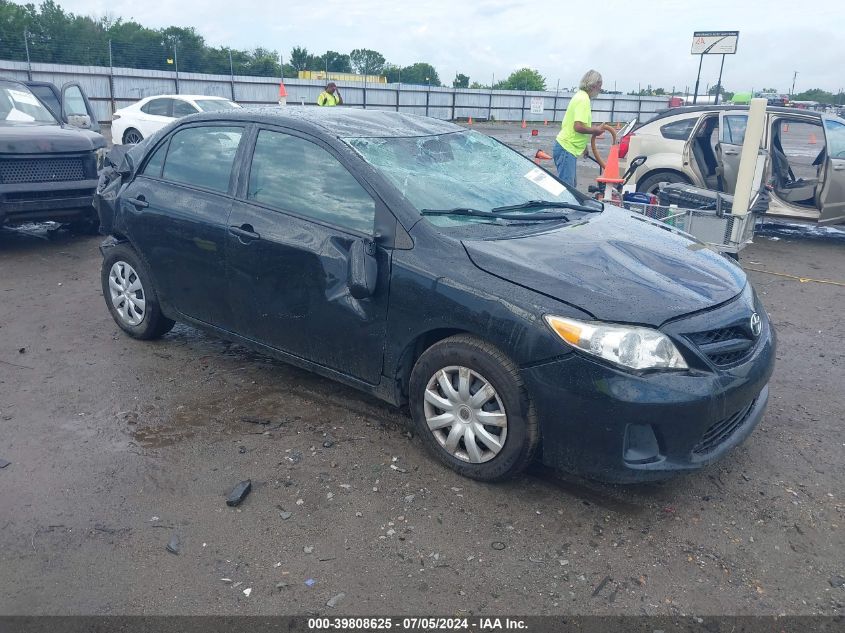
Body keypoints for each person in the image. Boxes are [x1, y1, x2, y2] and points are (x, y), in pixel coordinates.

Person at [553, 70, 605, 188]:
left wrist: (584, 147)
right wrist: (595, 130)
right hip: (566, 148)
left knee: (570, 187)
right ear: (593, 84)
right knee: (567, 190)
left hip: (567, 148)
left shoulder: (580, 96)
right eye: (600, 86)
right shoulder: (583, 100)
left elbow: (574, 125)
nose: (600, 90)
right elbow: (578, 127)